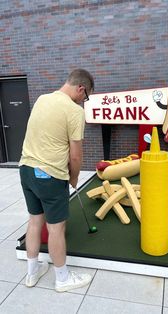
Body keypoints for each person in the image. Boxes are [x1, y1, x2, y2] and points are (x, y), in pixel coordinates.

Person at [19, 69, 94, 292]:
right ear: (81, 89)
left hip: (26, 170)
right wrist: (73, 177)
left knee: (34, 221)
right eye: (86, 96)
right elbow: (76, 155)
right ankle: (62, 278)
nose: (84, 101)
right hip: (50, 176)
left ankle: (32, 274)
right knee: (56, 229)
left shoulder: (42, 99)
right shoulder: (74, 111)